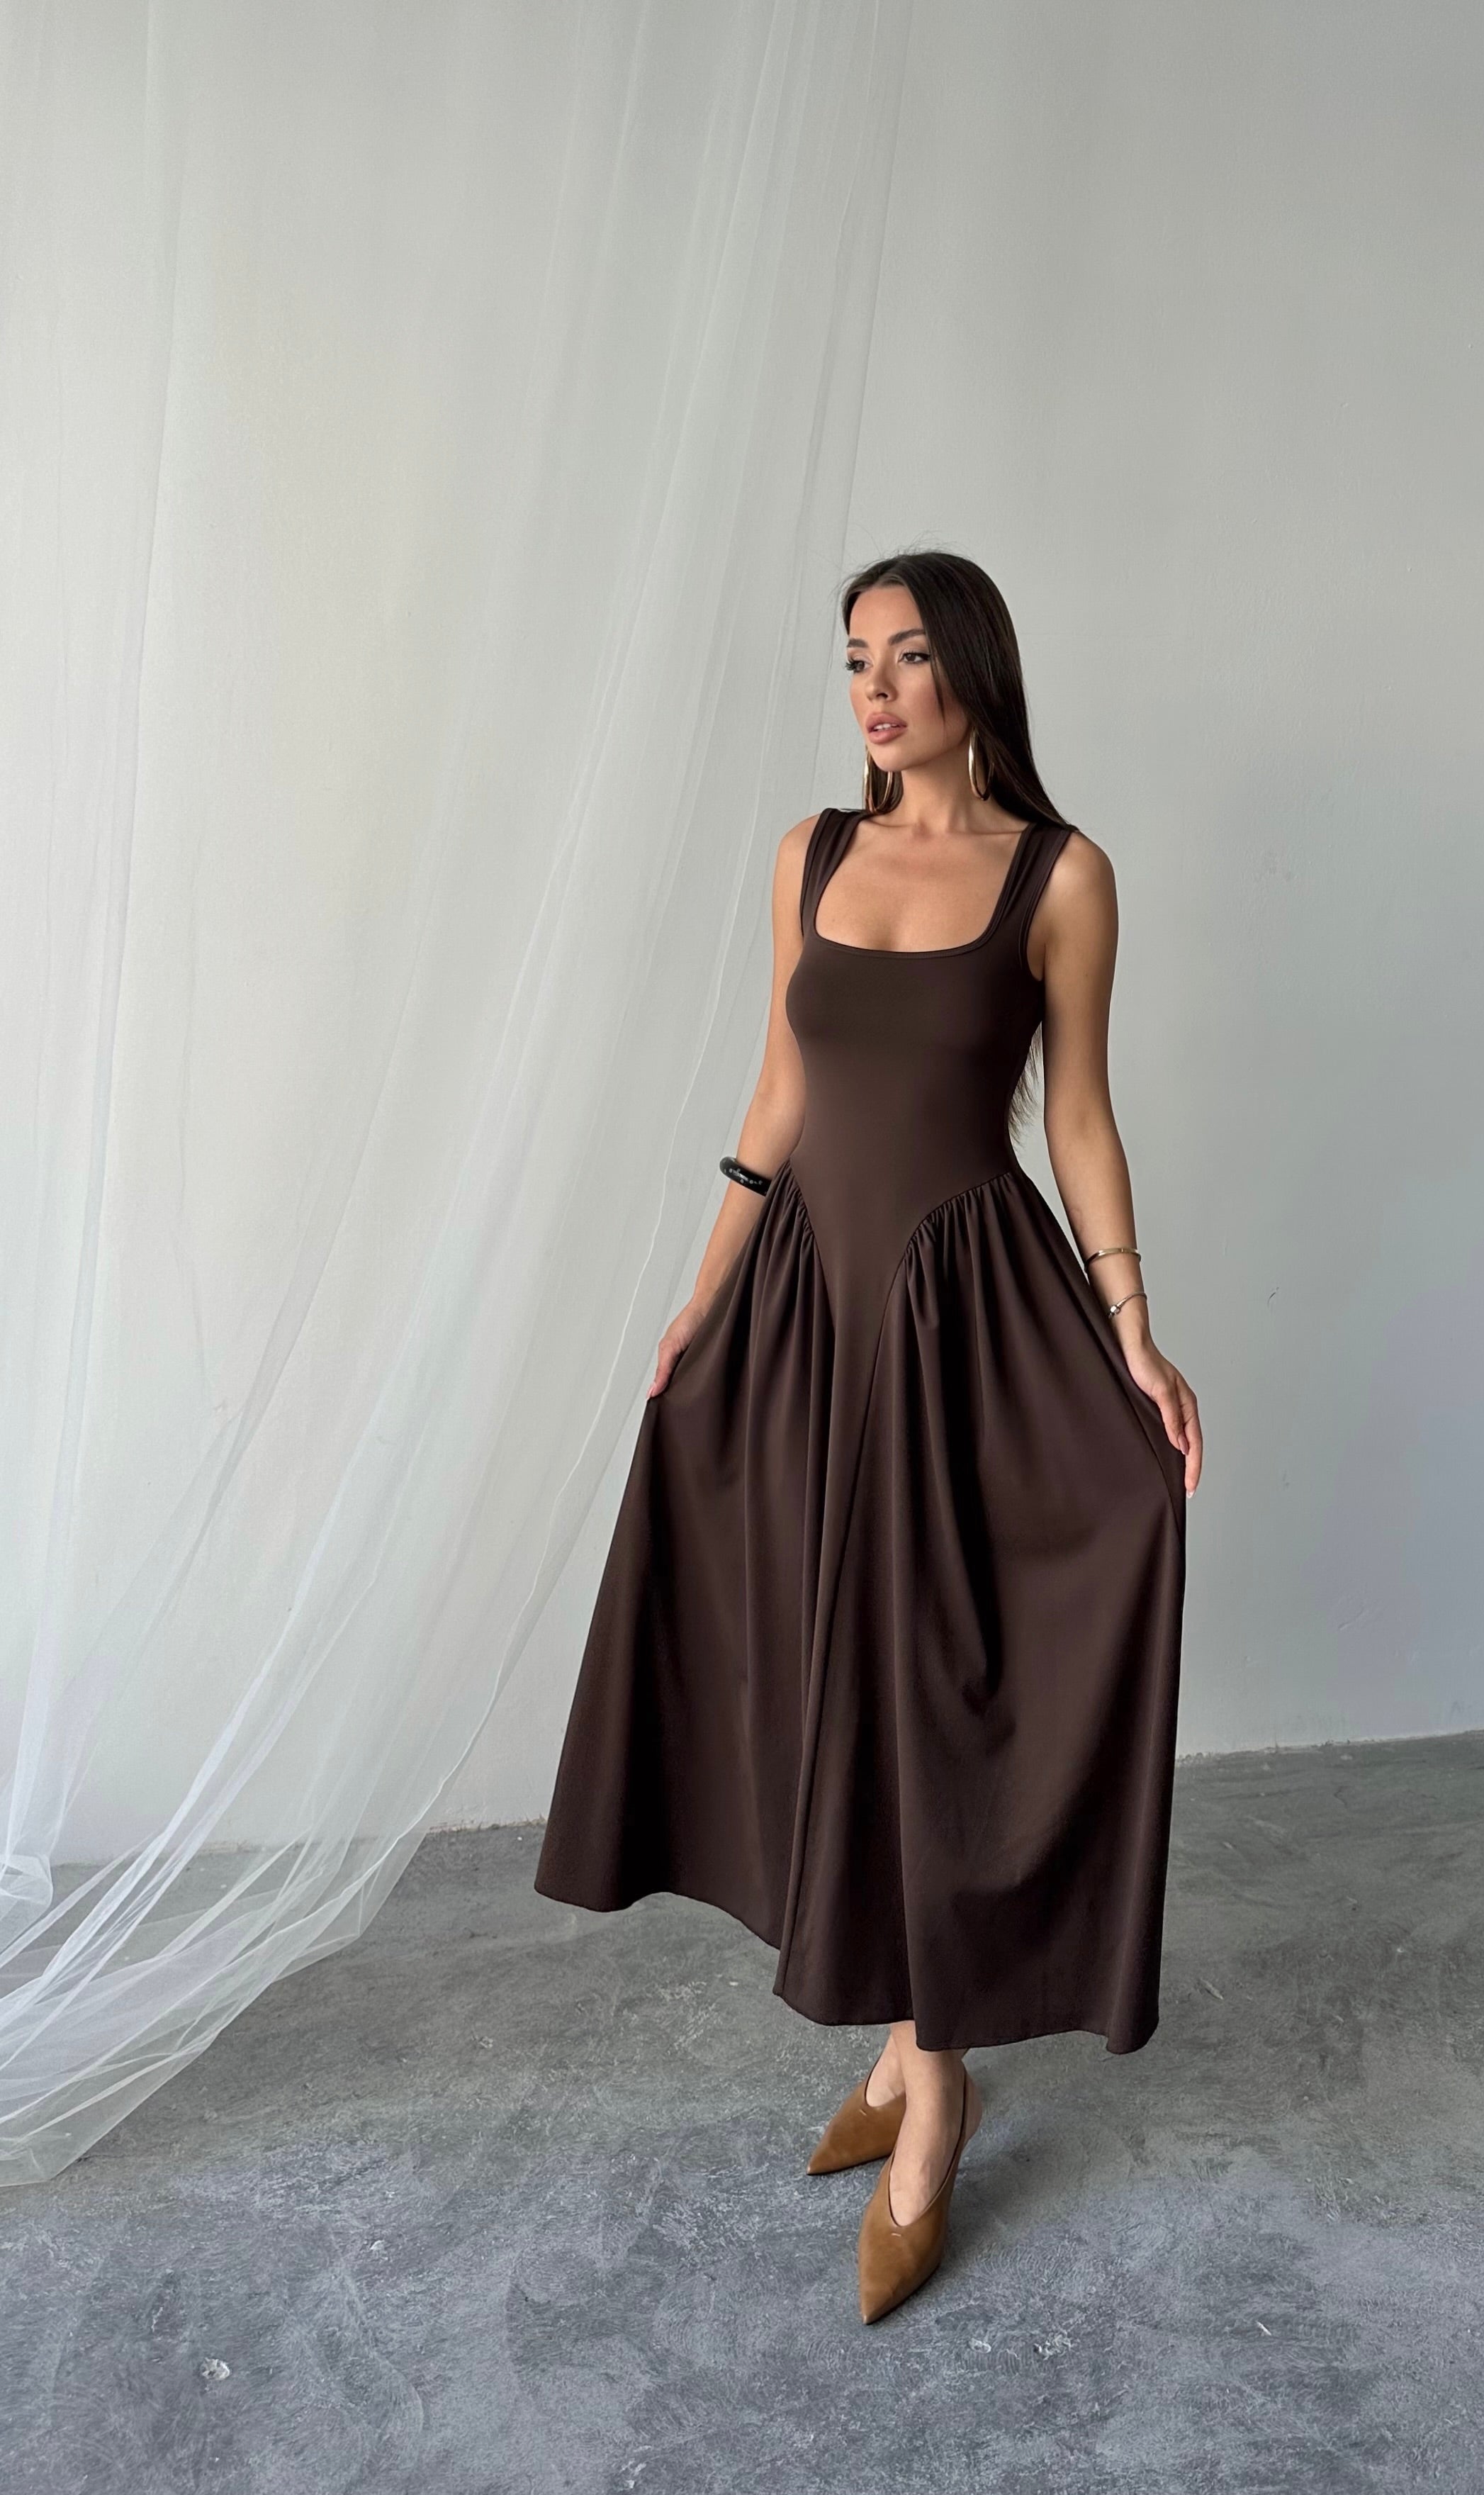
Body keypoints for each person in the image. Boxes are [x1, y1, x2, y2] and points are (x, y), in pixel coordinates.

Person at [534, 547, 1202, 2322]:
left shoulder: (1062, 877)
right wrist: (699, 1293)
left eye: (907, 656)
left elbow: (1078, 1117)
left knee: (932, 1684)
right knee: (823, 1667)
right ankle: (909, 2048)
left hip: (960, 1315)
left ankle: (939, 2079)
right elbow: (779, 1089)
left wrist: (1134, 1330)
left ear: (973, 670)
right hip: (804, 1308)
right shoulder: (808, 854)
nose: (876, 690)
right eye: (853, 661)